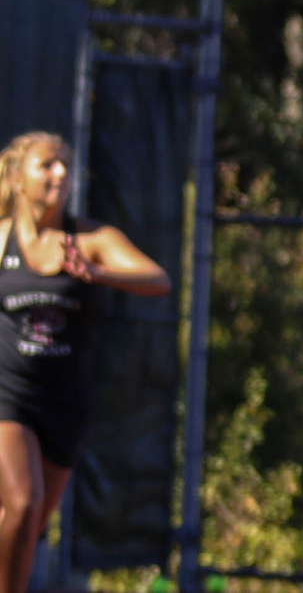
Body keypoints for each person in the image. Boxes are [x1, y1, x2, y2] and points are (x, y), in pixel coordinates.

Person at [0, 131, 170, 593]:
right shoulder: (1, 240)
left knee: (28, 527)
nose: (60, 174)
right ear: (17, 179)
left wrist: (97, 272)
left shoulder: (90, 239)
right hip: (7, 398)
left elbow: (157, 279)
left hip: (63, 405)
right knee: (21, 502)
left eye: (65, 166)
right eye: (47, 165)